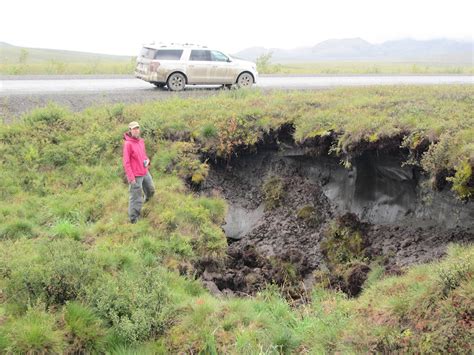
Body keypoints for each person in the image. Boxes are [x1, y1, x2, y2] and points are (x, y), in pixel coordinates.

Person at [122, 121, 155, 223]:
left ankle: (147, 202)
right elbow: (126, 162)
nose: (136, 130)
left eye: (137, 128)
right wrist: (131, 178)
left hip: (144, 171)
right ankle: (133, 219)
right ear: (130, 130)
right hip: (135, 176)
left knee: (151, 190)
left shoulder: (141, 141)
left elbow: (143, 155)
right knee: (136, 198)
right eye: (134, 129)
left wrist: (147, 161)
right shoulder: (128, 144)